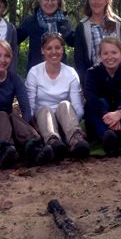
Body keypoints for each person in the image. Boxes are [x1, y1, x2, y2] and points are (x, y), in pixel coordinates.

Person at [0, 40, 54, 168]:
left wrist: (23, 127)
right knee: (1, 115)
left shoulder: (15, 79)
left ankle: (34, 148)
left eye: (6, 56)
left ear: (11, 59)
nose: (2, 60)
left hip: (9, 125)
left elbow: (26, 109)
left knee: (12, 116)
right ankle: (5, 150)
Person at [26, 32, 90, 160]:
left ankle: (76, 141)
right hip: (43, 120)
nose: (54, 52)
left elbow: (78, 107)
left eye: (57, 48)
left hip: (66, 119)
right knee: (45, 109)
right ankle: (53, 142)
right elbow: (30, 105)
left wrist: (67, 124)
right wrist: (34, 125)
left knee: (65, 104)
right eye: (49, 48)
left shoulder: (70, 73)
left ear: (62, 49)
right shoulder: (34, 72)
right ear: (43, 51)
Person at [84, 37, 121, 156]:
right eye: (105, 53)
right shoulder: (92, 73)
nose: (110, 57)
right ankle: (107, 137)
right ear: (100, 56)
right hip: (102, 116)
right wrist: (107, 116)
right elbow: (90, 96)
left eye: (114, 52)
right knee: (92, 105)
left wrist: (120, 111)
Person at [73, 0, 121, 84]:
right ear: (89, 1)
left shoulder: (117, 23)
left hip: (119, 78)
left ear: (106, 1)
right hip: (94, 80)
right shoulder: (82, 26)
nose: (96, 2)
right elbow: (79, 59)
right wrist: (85, 81)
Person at [17, 0, 74, 71]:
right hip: (36, 72)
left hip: (60, 72)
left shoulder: (63, 22)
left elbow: (73, 42)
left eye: (53, 0)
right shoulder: (31, 21)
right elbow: (14, 39)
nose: (49, 3)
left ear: (58, 2)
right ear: (39, 0)